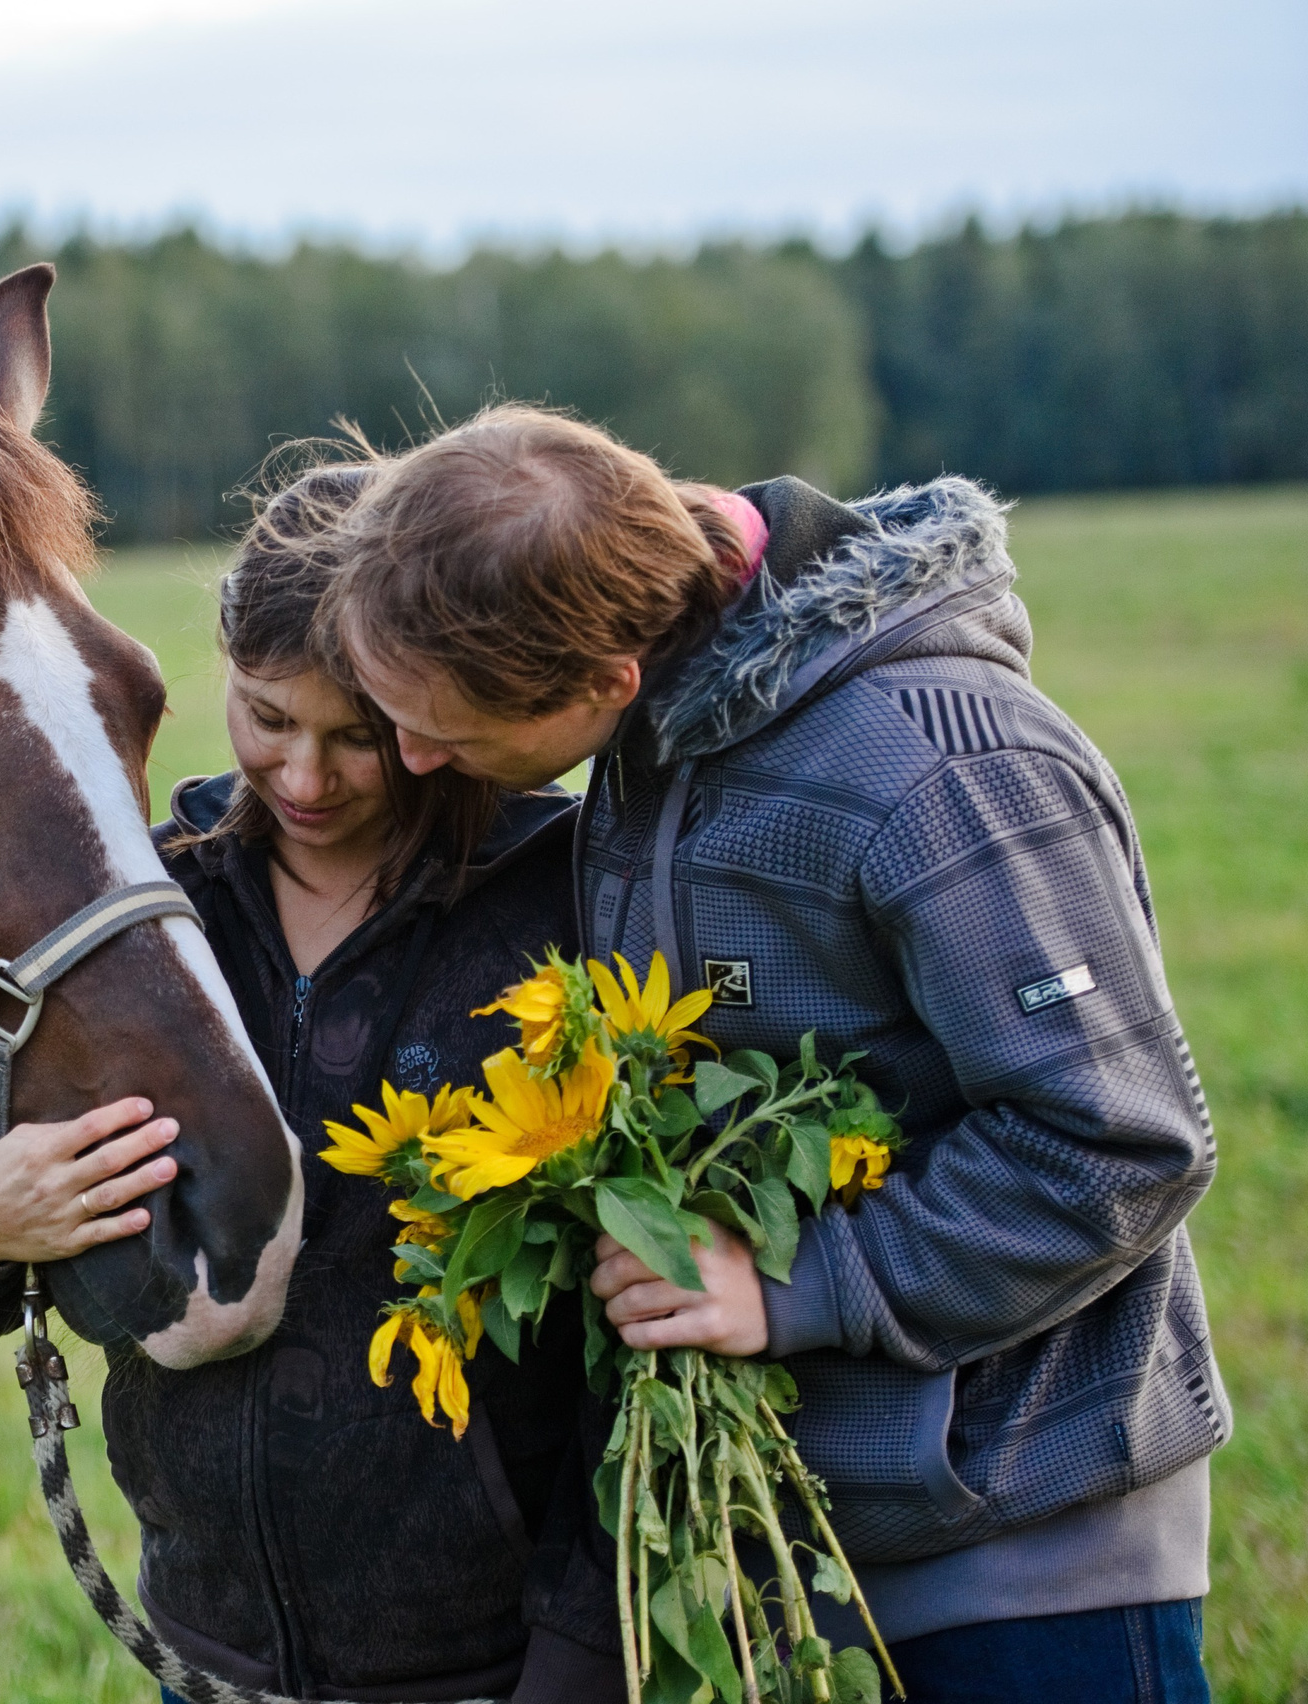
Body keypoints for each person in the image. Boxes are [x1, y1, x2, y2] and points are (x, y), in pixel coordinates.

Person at [321, 403, 1226, 1702]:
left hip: (1020, 1553)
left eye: (437, 727)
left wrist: (793, 1289)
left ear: (599, 683)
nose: (408, 757)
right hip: (789, 1555)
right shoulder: (661, 735)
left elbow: (1117, 1143)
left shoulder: (941, 768)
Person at [0, 468, 624, 1701]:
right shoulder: (145, 914)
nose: (308, 778)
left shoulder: (558, 910)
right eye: (267, 718)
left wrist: (578, 1663)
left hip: (492, 1662)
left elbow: (627, 1346)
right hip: (208, 1650)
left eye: (360, 737)